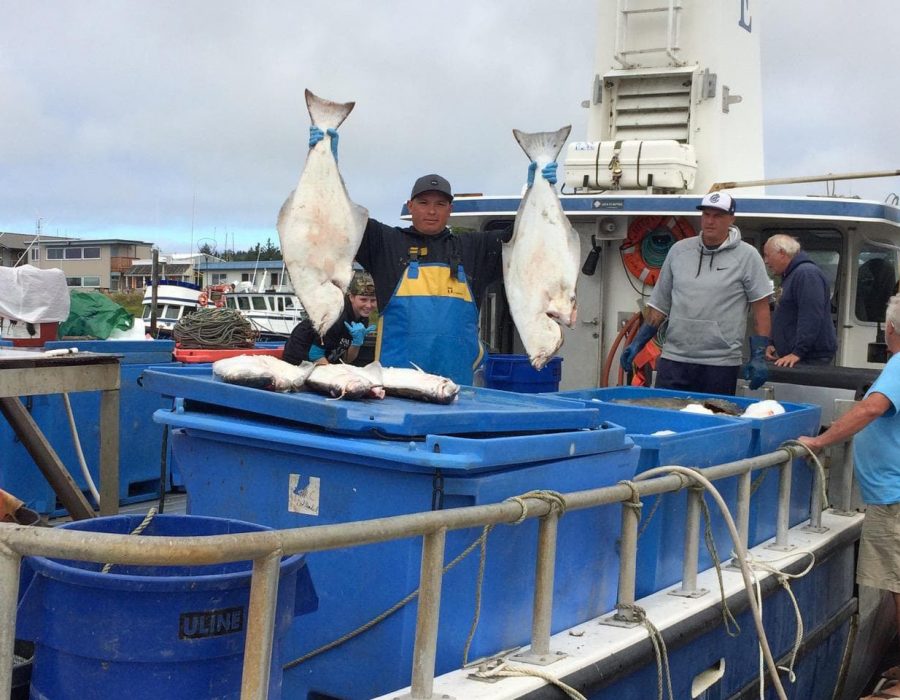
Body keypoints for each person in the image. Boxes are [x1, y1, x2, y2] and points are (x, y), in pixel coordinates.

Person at [309, 126, 557, 384]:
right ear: (410, 206)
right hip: (397, 385)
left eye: (440, 204)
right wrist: (328, 166)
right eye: (424, 203)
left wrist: (538, 191)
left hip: (457, 386)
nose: (431, 211)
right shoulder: (385, 243)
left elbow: (526, 242)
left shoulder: (474, 248)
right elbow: (339, 220)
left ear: (450, 209)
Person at [797, 293, 900, 700]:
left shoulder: (897, 364)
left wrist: (821, 440)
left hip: (894, 495)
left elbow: (872, 408)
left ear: (891, 331)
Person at [620, 191, 772, 395]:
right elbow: (659, 305)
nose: (710, 221)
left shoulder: (748, 256)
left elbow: (761, 309)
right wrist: (638, 342)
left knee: (713, 422)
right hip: (674, 359)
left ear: (731, 218)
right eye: (706, 215)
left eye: (717, 216)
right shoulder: (679, 251)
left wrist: (759, 355)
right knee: (668, 421)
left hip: (720, 364)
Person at [761, 234, 836, 367]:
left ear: (782, 253)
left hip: (809, 358)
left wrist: (798, 352)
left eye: (767, 255)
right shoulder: (791, 276)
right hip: (797, 355)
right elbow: (784, 314)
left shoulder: (806, 274)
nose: (766, 261)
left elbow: (811, 316)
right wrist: (772, 343)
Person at [283, 271, 377, 366]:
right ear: (351, 297)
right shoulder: (335, 316)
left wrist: (357, 343)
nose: (368, 305)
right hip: (298, 358)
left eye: (373, 300)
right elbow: (315, 355)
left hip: (325, 358)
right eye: (363, 299)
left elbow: (346, 359)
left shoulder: (362, 318)